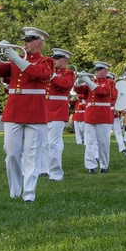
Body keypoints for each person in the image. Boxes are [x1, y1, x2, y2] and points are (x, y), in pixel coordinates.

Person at [0, 27, 53, 202]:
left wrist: (15, 57)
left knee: (32, 155)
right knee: (12, 154)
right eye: (25, 40)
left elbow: (39, 75)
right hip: (13, 110)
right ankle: (15, 191)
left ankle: (29, 194)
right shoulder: (15, 62)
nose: (24, 43)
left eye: (29, 41)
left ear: (39, 43)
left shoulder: (46, 61)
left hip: (35, 112)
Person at [41, 48, 75, 181]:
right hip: (45, 109)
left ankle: (55, 174)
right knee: (43, 143)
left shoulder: (68, 73)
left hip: (58, 110)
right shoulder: (50, 72)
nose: (54, 61)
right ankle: (44, 169)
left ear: (65, 60)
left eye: (57, 59)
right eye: (53, 58)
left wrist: (52, 75)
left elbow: (65, 86)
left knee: (53, 144)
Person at [77, 62, 116, 174]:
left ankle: (104, 165)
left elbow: (101, 91)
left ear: (106, 71)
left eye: (99, 69)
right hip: (90, 115)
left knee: (103, 142)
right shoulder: (92, 82)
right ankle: (90, 166)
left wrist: (88, 81)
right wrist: (79, 80)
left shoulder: (110, 82)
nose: (96, 71)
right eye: (96, 69)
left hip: (103, 116)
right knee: (89, 142)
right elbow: (79, 91)